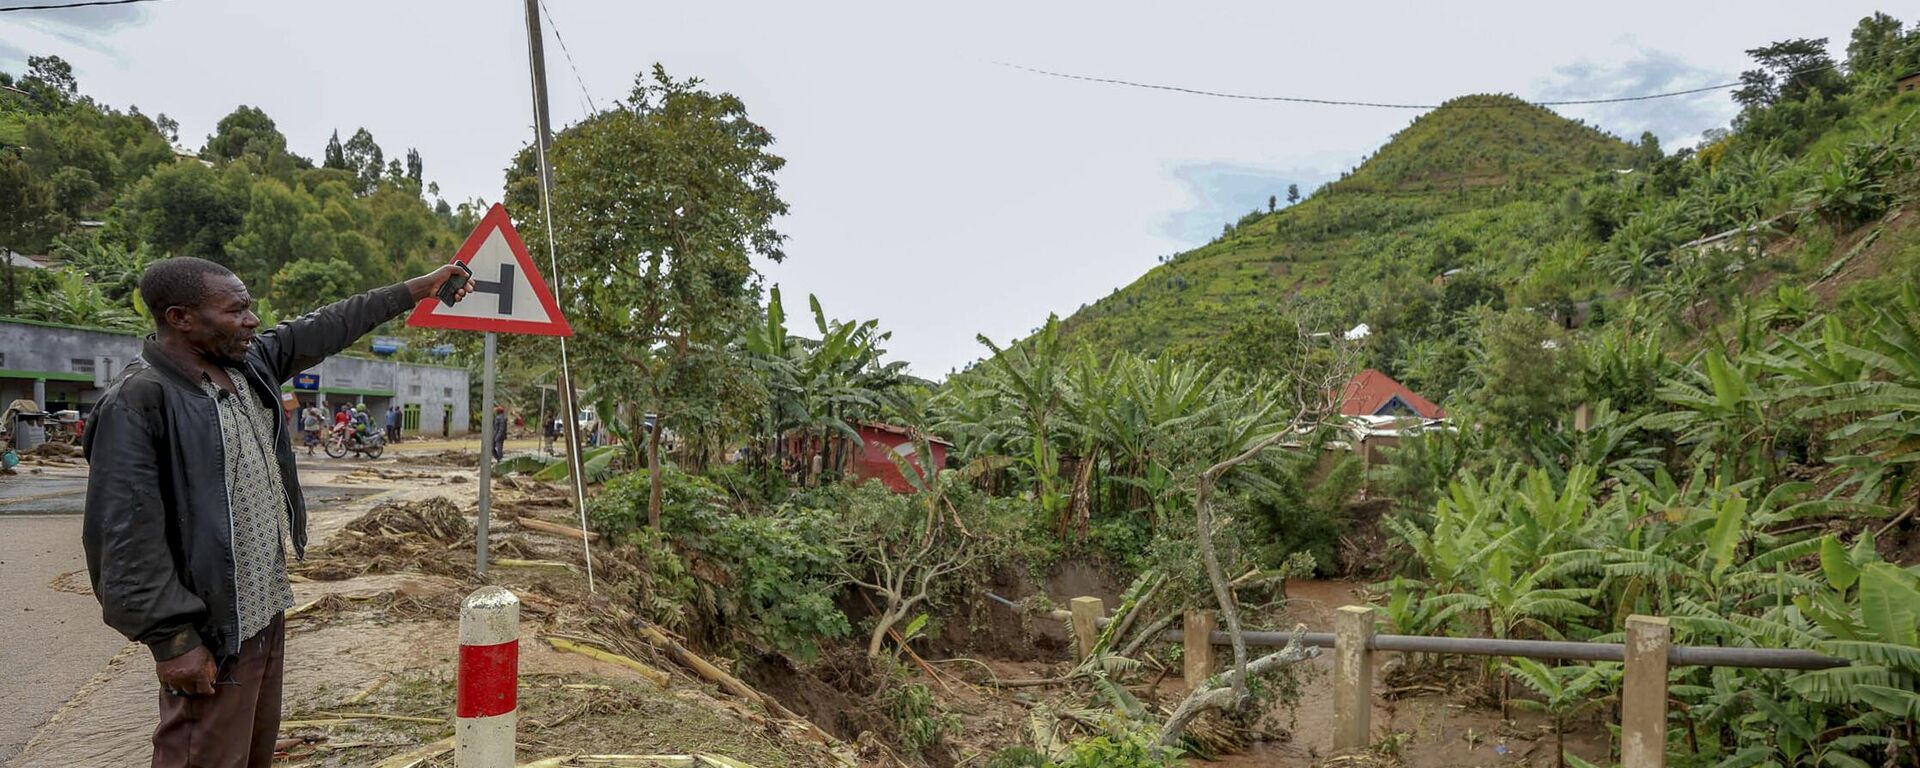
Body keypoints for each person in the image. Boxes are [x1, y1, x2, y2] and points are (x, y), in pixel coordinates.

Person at [81, 256, 471, 767]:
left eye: (250, 308)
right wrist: (173, 639)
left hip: (262, 610)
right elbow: (123, 538)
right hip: (211, 627)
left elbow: (326, 325)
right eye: (236, 310)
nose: (252, 320)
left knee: (251, 752)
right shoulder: (141, 400)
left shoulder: (248, 365)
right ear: (180, 318)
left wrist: (416, 290)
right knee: (202, 754)